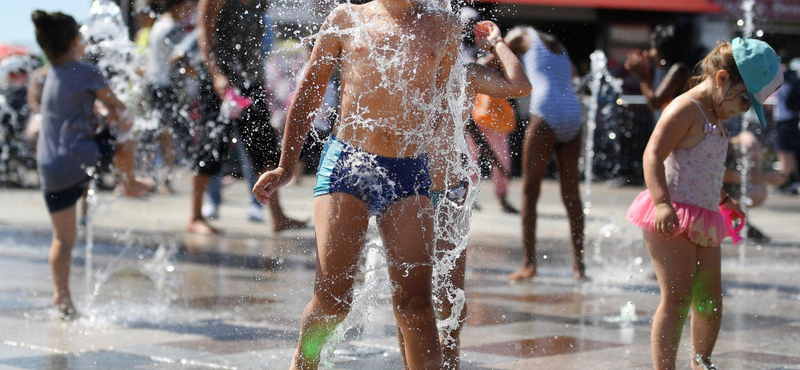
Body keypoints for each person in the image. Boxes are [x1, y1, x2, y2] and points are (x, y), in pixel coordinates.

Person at [252, 0, 460, 367]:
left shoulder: (444, 26)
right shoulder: (347, 18)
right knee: (333, 299)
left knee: (415, 305)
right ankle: (306, 361)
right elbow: (310, 90)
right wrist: (287, 165)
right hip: (349, 165)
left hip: (409, 172)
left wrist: (445, 177)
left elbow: (440, 106)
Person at [626, 39, 781, 370]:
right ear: (722, 78)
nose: (743, 109)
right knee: (678, 297)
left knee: (710, 300)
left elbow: (703, 169)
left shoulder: (716, 114)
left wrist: (725, 200)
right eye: (744, 99)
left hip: (706, 215)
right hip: (672, 214)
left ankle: (701, 360)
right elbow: (653, 154)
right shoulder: (686, 109)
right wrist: (662, 202)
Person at [417, 20, 531, 370]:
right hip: (409, 190)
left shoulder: (464, 74)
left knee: (451, 294)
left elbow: (520, 86)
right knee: (412, 295)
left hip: (450, 192)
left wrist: (497, 43)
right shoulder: (406, 69)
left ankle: (449, 360)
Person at [32, 10, 154, 318]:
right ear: (76, 41)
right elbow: (117, 106)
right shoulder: (86, 71)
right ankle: (128, 181)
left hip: (49, 166)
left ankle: (62, 297)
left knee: (63, 238)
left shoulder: (48, 75)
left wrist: (98, 115)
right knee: (127, 127)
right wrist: (112, 114)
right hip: (79, 157)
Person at [192, 0, 305, 234]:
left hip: (251, 82)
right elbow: (203, 34)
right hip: (220, 81)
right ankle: (195, 217)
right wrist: (216, 75)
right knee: (211, 146)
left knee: (264, 146)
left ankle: (277, 216)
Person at [505, 26, 586, 281]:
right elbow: (572, 73)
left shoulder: (521, 34)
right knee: (571, 193)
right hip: (573, 110)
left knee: (530, 191)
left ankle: (529, 265)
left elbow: (498, 56)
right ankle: (579, 267)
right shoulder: (558, 48)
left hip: (546, 110)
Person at [145, 0, 195, 193]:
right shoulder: (171, 27)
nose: (189, 10)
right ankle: (158, 178)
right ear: (176, 5)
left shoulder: (158, 25)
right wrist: (195, 72)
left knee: (160, 132)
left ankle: (155, 178)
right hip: (164, 86)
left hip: (155, 83)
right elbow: (178, 56)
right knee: (170, 132)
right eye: (186, 6)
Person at [771, 52, 800, 194]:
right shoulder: (787, 79)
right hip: (784, 119)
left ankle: (790, 180)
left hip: (787, 120)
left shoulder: (789, 79)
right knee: (783, 151)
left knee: (785, 151)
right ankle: (787, 180)